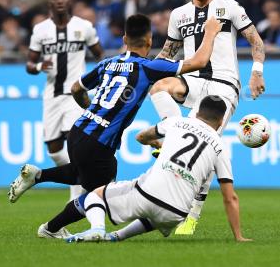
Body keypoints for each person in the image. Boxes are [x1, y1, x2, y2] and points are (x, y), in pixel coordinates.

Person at [8, 13, 224, 239]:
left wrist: (92, 110)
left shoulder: (107, 63)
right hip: (99, 143)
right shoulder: (149, 67)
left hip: (78, 131)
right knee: (99, 194)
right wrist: (210, 32)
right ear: (149, 40)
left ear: (124, 39)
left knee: (81, 174)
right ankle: (51, 229)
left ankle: (38, 176)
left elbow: (75, 88)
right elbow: (199, 62)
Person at [149, 0, 266, 235]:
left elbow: (256, 41)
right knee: (159, 88)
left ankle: (193, 213)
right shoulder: (178, 15)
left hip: (224, 85)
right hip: (193, 81)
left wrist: (257, 72)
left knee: (205, 144)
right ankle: (171, 134)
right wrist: (144, 71)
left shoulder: (230, 8)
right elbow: (168, 53)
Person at [65, 95, 251, 243]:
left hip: (147, 194)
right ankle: (117, 236)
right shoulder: (220, 146)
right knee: (158, 214)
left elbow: (140, 136)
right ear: (221, 121)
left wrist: (154, 143)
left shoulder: (176, 122)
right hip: (176, 214)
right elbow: (230, 197)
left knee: (95, 196)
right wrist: (238, 236)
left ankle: (97, 229)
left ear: (197, 113)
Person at [26, 0, 103, 200]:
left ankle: (76, 198)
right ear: (49, 1)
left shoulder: (84, 27)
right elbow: (29, 65)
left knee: (74, 141)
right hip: (51, 96)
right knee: (53, 150)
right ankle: (78, 178)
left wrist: (98, 78)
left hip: (75, 95)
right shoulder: (40, 30)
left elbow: (99, 54)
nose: (59, 0)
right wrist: (40, 66)